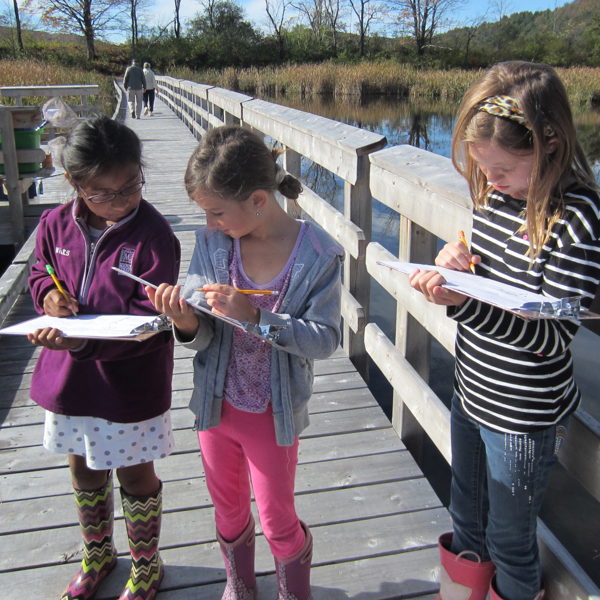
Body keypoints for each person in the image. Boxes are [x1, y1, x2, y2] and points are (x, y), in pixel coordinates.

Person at [409, 61, 600, 600]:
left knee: (511, 538)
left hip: (521, 412)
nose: (491, 183)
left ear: (551, 145)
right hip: (473, 391)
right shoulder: (496, 198)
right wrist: (457, 264)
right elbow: (494, 281)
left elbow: (550, 338)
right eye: (483, 170)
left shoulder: (577, 219)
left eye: (503, 170)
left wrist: (463, 301)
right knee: (465, 515)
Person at [147, 125, 343, 600]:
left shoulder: (317, 255)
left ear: (258, 199)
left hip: (272, 416)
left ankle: (293, 591)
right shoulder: (215, 245)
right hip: (215, 408)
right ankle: (240, 584)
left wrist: (256, 316)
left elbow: (325, 341)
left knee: (277, 519)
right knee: (227, 509)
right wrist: (183, 320)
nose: (210, 223)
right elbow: (201, 330)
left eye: (217, 212)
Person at [28, 114, 181, 600]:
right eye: (102, 193)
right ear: (73, 183)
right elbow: (40, 271)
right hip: (71, 382)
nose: (119, 202)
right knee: (83, 468)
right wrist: (49, 298)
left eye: (130, 186)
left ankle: (144, 565)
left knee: (135, 474)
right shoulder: (55, 224)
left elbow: (154, 328)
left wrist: (82, 341)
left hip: (128, 387)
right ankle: (97, 554)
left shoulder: (155, 238)